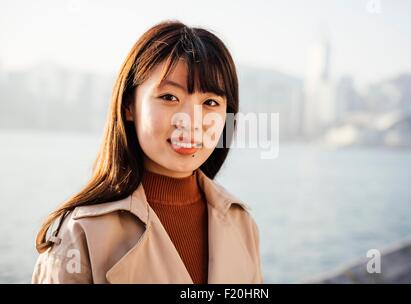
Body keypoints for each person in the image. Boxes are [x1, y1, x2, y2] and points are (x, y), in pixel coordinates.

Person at [31, 20, 263, 284]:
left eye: (210, 102)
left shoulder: (242, 223)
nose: (191, 120)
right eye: (169, 97)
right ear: (129, 105)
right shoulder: (80, 232)